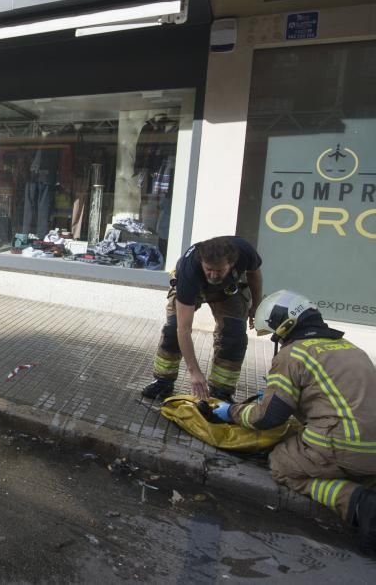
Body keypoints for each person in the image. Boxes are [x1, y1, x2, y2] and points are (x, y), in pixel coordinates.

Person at [211, 290, 376, 554]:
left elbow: (268, 418)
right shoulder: (353, 349)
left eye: (276, 335)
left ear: (284, 326)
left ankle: (358, 504)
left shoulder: (294, 355)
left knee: (281, 464)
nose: (278, 341)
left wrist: (231, 411)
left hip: (343, 446)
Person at [141, 236, 263, 403]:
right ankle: (163, 381)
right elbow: (183, 329)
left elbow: (254, 274)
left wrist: (256, 305)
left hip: (227, 289)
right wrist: (194, 372)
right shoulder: (188, 271)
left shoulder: (245, 251)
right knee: (173, 330)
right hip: (192, 287)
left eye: (219, 270)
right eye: (208, 269)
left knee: (235, 336)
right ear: (202, 262)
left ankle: (221, 391)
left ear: (232, 264)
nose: (213, 275)